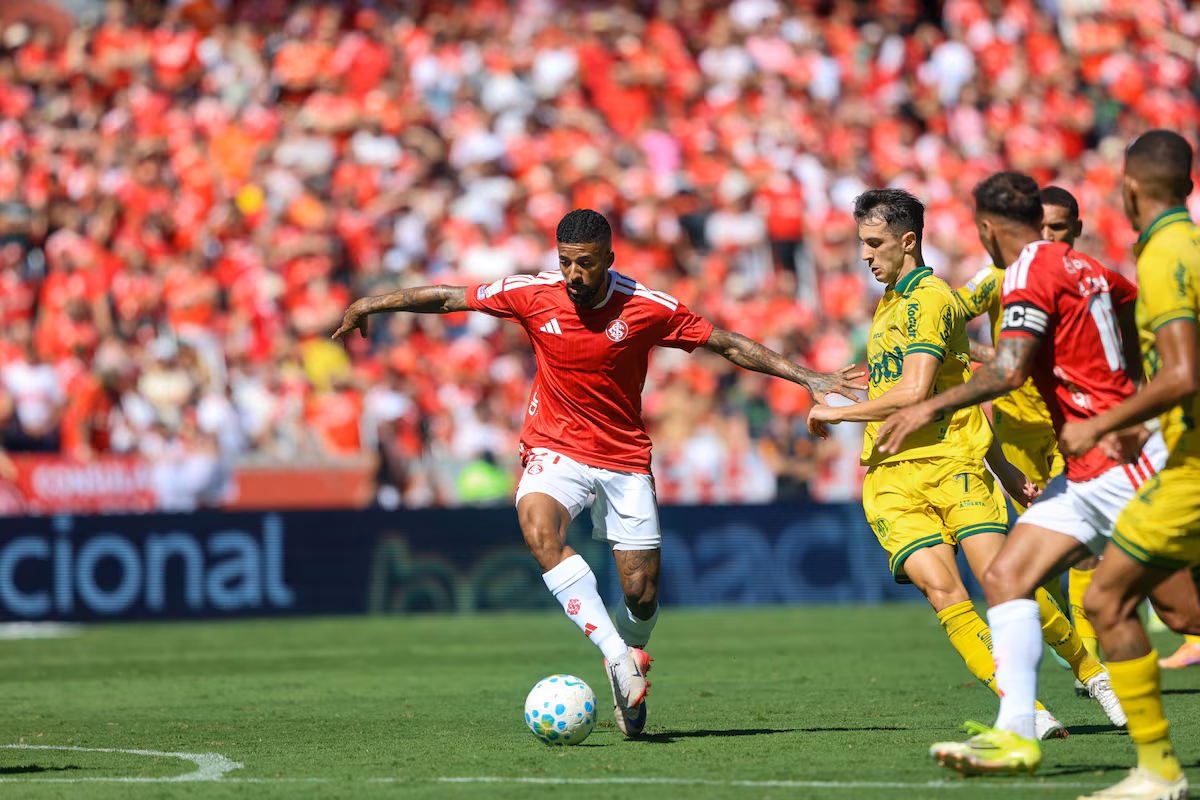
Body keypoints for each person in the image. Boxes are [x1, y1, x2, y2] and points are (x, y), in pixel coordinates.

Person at [333, 209, 865, 737]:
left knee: (641, 593)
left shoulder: (646, 306)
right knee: (539, 531)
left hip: (623, 457)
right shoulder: (531, 293)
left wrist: (806, 376)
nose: (573, 274)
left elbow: (725, 343)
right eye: (565, 262)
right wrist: (370, 303)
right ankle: (616, 656)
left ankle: (631, 656)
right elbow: (450, 297)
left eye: (585, 263)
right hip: (554, 446)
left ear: (609, 258)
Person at [875, 171, 1164, 778]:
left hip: (1101, 454)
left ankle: (1152, 760)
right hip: (1079, 447)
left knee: (1161, 605)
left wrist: (925, 404)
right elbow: (1132, 308)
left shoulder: (1025, 272)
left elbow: (1007, 369)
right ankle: (1021, 729)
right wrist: (1131, 394)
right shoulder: (1092, 270)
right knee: (1012, 577)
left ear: (986, 229)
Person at [806, 189, 1105, 741]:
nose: (865, 255)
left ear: (908, 241)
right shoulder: (890, 301)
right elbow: (958, 383)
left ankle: (1091, 671)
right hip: (891, 475)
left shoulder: (932, 300)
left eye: (874, 244)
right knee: (944, 593)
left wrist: (835, 411)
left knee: (1003, 580)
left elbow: (917, 392)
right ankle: (1025, 708)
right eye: (862, 244)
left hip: (951, 464)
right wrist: (1007, 468)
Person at [1056, 130, 1200, 800]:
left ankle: (1159, 772)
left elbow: (1183, 372)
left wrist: (1103, 422)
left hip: (1191, 469)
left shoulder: (1164, 253)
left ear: (1130, 188)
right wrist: (1144, 424)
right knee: (1175, 611)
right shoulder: (1190, 245)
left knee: (1106, 600)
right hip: (1176, 450)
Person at [955, 186, 1101, 691]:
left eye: (1059, 227)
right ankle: (1070, 640)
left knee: (1080, 540)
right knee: (1033, 551)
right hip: (1014, 432)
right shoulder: (998, 276)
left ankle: (1090, 656)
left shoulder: (1086, 279)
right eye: (1043, 226)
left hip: (1071, 427)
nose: (1049, 235)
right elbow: (948, 313)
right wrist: (987, 356)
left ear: (1076, 229)